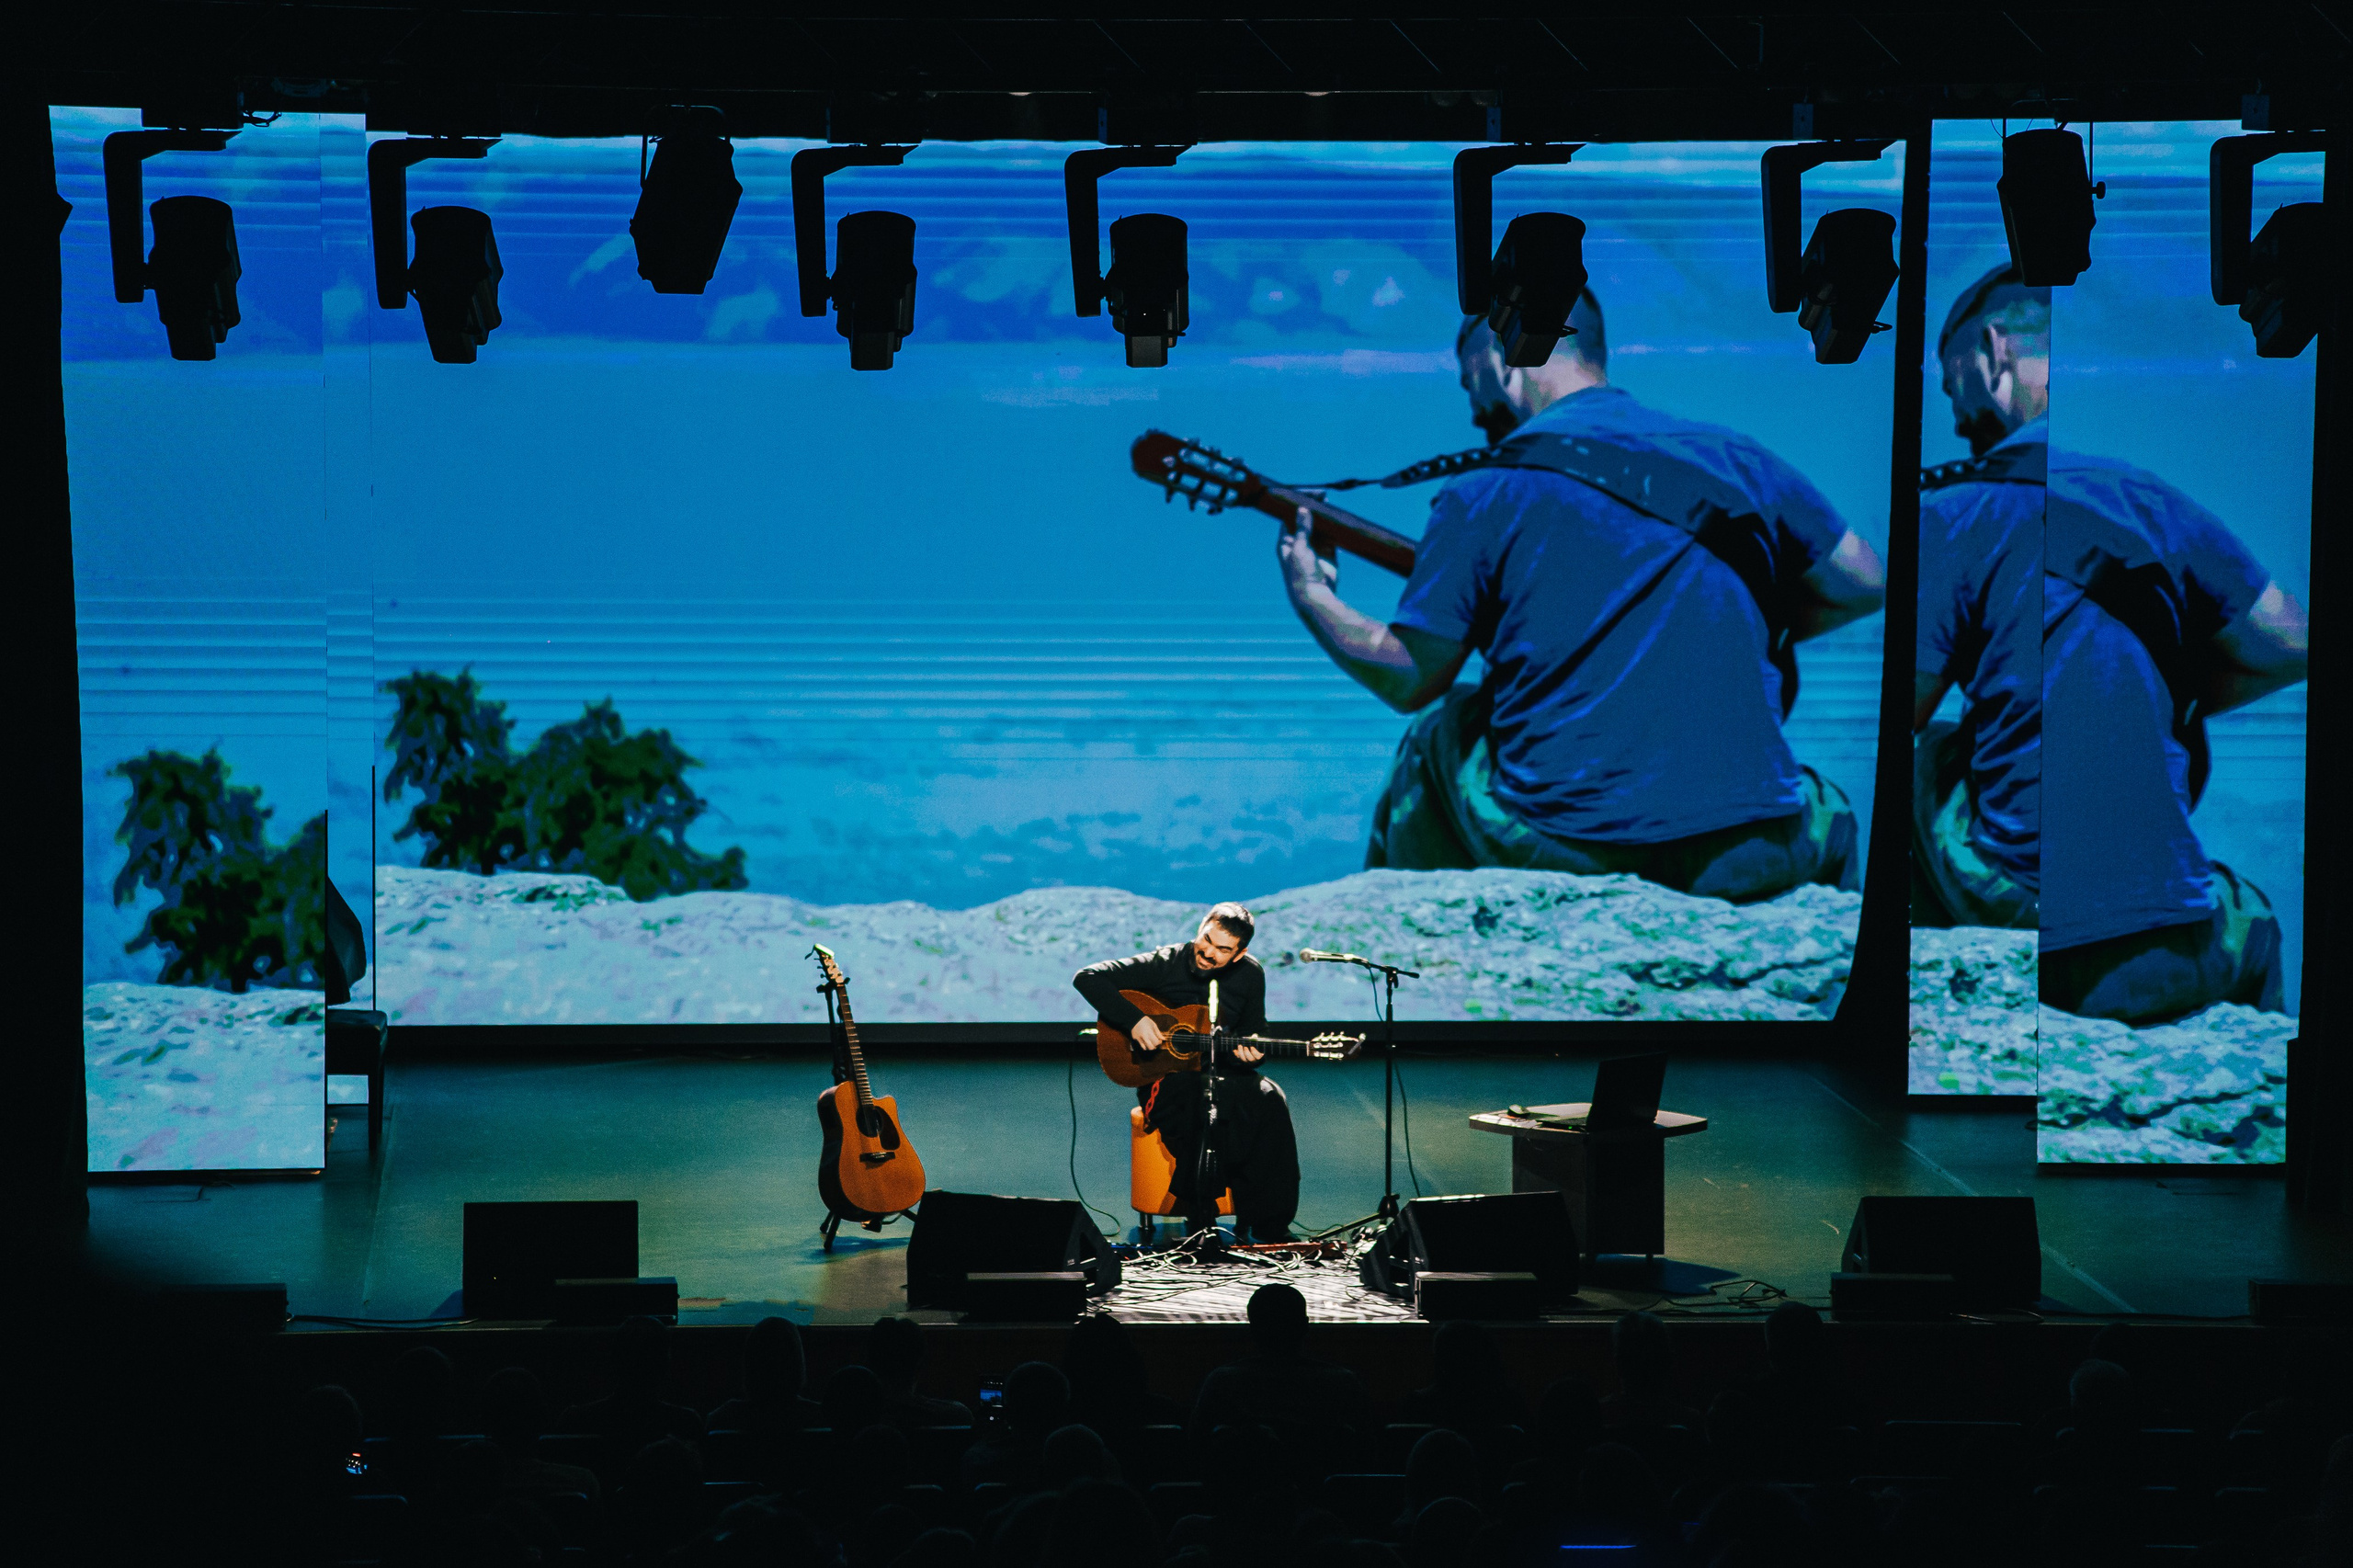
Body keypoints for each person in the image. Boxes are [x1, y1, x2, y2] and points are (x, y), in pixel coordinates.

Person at [1279, 291, 1886, 903]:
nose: (1476, 413)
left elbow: (1408, 677)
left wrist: (1313, 595)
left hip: (1570, 851)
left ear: (1505, 357)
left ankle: (1422, 960)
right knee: (1827, 805)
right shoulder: (1738, 457)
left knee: (1436, 734)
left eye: (1472, 384)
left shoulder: (1488, 488)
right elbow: (1864, 583)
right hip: (1750, 854)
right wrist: (1745, 629)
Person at [1921, 265, 2310, 1022]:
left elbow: (1895, 713)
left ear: (1994, 350)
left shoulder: (1957, 513)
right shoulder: (2149, 501)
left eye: (1951, 377)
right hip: (2172, 926)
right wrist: (2166, 696)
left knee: (1919, 759)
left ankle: (1939, 1006)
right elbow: (2291, 644)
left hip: (2038, 922)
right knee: (2252, 914)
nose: (1952, 406)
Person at [1073, 903, 1300, 1242]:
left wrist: (1249, 1055)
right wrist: (1135, 1020)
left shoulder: (1250, 974)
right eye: (1206, 940)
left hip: (1224, 1074)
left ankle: (1272, 1228)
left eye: (1223, 950)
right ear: (1200, 929)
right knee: (1199, 1098)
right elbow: (1087, 978)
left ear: (1239, 953)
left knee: (1270, 1099)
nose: (1209, 953)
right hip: (1164, 1077)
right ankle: (1200, 1218)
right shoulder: (1164, 963)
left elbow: (1253, 1033)